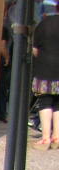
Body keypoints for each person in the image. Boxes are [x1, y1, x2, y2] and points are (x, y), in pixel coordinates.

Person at [31, 3, 59, 149]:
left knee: (45, 101)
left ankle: (45, 138)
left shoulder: (44, 24)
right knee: (58, 103)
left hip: (45, 68)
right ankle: (57, 137)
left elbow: (34, 50)